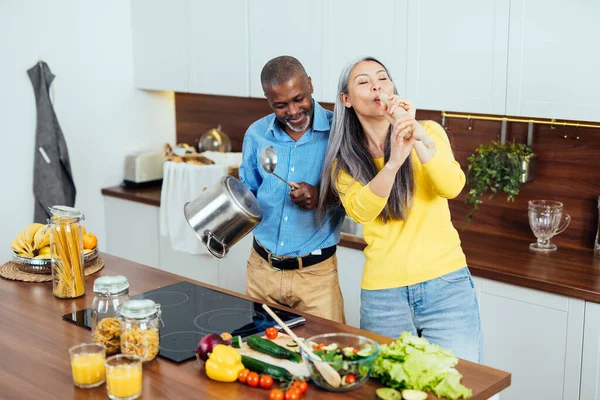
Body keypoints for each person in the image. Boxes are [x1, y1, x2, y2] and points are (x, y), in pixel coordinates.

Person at [317, 56, 481, 362]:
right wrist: (393, 164)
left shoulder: (429, 130)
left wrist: (416, 137)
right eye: (363, 82)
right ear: (346, 99)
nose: (376, 86)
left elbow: (452, 186)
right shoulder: (344, 160)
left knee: (457, 386)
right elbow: (361, 211)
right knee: (389, 387)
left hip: (447, 286)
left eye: (382, 78)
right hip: (384, 297)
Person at [239, 56, 346, 323]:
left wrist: (323, 197)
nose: (293, 111)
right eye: (281, 105)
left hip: (316, 277)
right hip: (262, 271)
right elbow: (248, 195)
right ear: (269, 101)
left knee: (325, 358)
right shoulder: (256, 134)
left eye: (299, 99)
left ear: (310, 84)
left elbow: (361, 197)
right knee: (265, 358)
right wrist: (226, 203)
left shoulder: (340, 133)